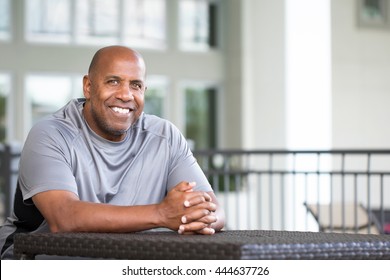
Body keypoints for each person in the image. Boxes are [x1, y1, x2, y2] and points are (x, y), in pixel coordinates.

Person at [0, 45, 225, 259]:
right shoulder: (50, 134)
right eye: (113, 81)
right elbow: (64, 217)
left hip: (123, 263)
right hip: (37, 261)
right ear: (88, 87)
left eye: (136, 85)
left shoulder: (165, 136)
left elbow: (215, 212)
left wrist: (192, 216)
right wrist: (163, 214)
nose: (126, 95)